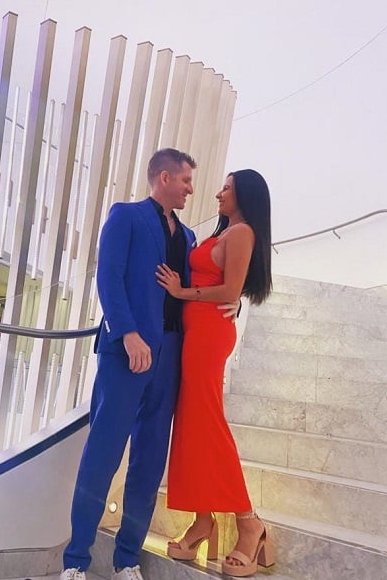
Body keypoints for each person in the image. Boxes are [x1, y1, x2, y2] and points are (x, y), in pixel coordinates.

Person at [60, 148, 237, 580]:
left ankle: (127, 560)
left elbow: (197, 287)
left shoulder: (189, 237)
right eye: (186, 180)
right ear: (164, 177)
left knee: (150, 461)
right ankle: (76, 562)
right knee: (103, 453)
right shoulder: (126, 216)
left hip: (172, 355)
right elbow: (108, 277)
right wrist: (128, 332)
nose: (191, 189)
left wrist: (232, 303)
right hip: (127, 352)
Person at [155, 169, 274, 578]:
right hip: (196, 333)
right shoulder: (224, 232)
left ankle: (248, 522)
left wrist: (181, 292)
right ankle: (203, 520)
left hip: (209, 335)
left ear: (245, 196)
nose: (219, 193)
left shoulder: (242, 233)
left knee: (207, 421)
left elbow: (229, 291)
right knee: (192, 423)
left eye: (227, 188)